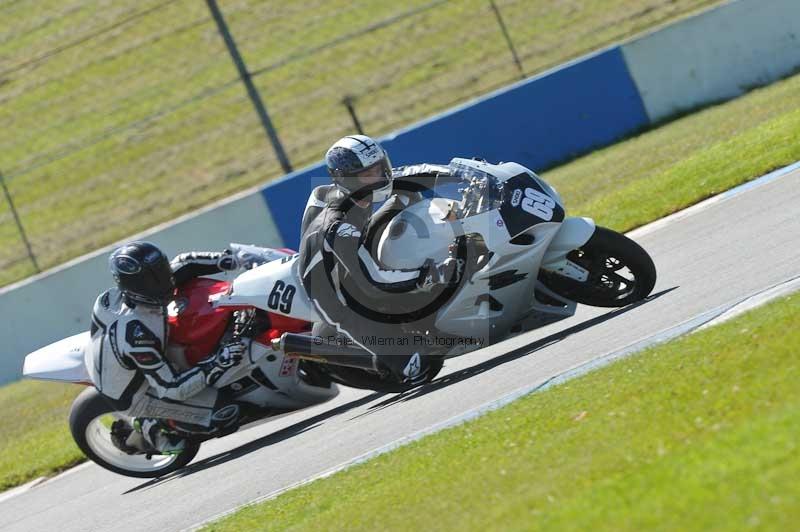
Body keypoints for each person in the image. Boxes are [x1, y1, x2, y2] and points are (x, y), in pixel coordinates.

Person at [298, 135, 463, 386]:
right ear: (347, 179)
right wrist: (433, 274)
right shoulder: (337, 225)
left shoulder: (354, 189)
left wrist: (458, 172)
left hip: (354, 249)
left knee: (406, 197)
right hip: (336, 295)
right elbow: (371, 281)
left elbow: (410, 173)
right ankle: (385, 358)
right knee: (419, 368)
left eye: (380, 167)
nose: (379, 177)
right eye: (368, 174)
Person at [88, 242, 248, 455]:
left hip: (127, 359)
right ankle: (149, 426)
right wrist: (217, 363)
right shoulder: (137, 333)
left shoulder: (123, 296)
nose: (164, 280)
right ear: (134, 285)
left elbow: (185, 262)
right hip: (137, 393)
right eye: (152, 278)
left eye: (161, 270)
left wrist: (236, 259)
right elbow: (170, 387)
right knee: (228, 413)